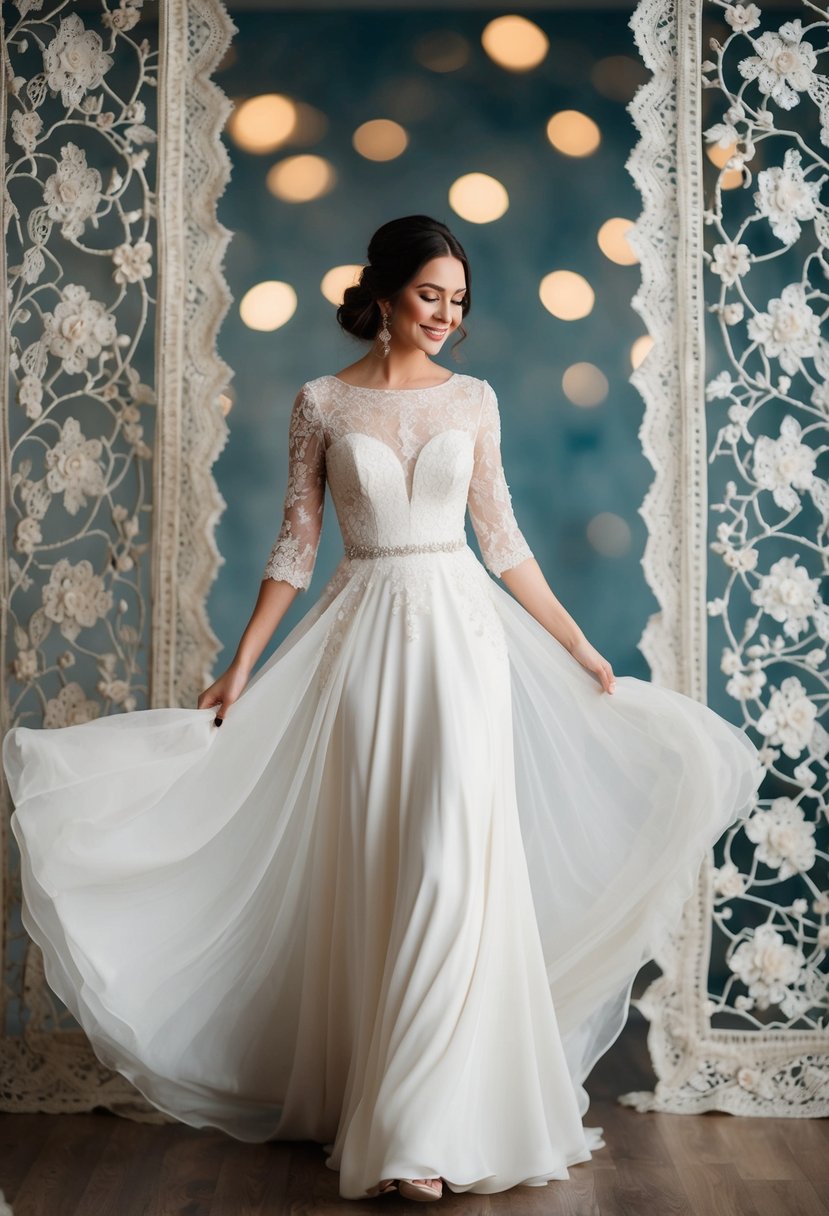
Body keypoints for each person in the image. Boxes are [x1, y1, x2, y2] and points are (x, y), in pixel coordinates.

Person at [3, 214, 764, 1203]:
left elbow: (504, 539)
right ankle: (388, 1098)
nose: (447, 315)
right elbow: (293, 543)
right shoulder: (320, 403)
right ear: (386, 294)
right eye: (429, 295)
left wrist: (577, 646)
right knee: (385, 861)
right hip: (361, 644)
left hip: (463, 640)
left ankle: (428, 1128)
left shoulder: (475, 400)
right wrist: (241, 664)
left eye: (458, 300)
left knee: (456, 859)